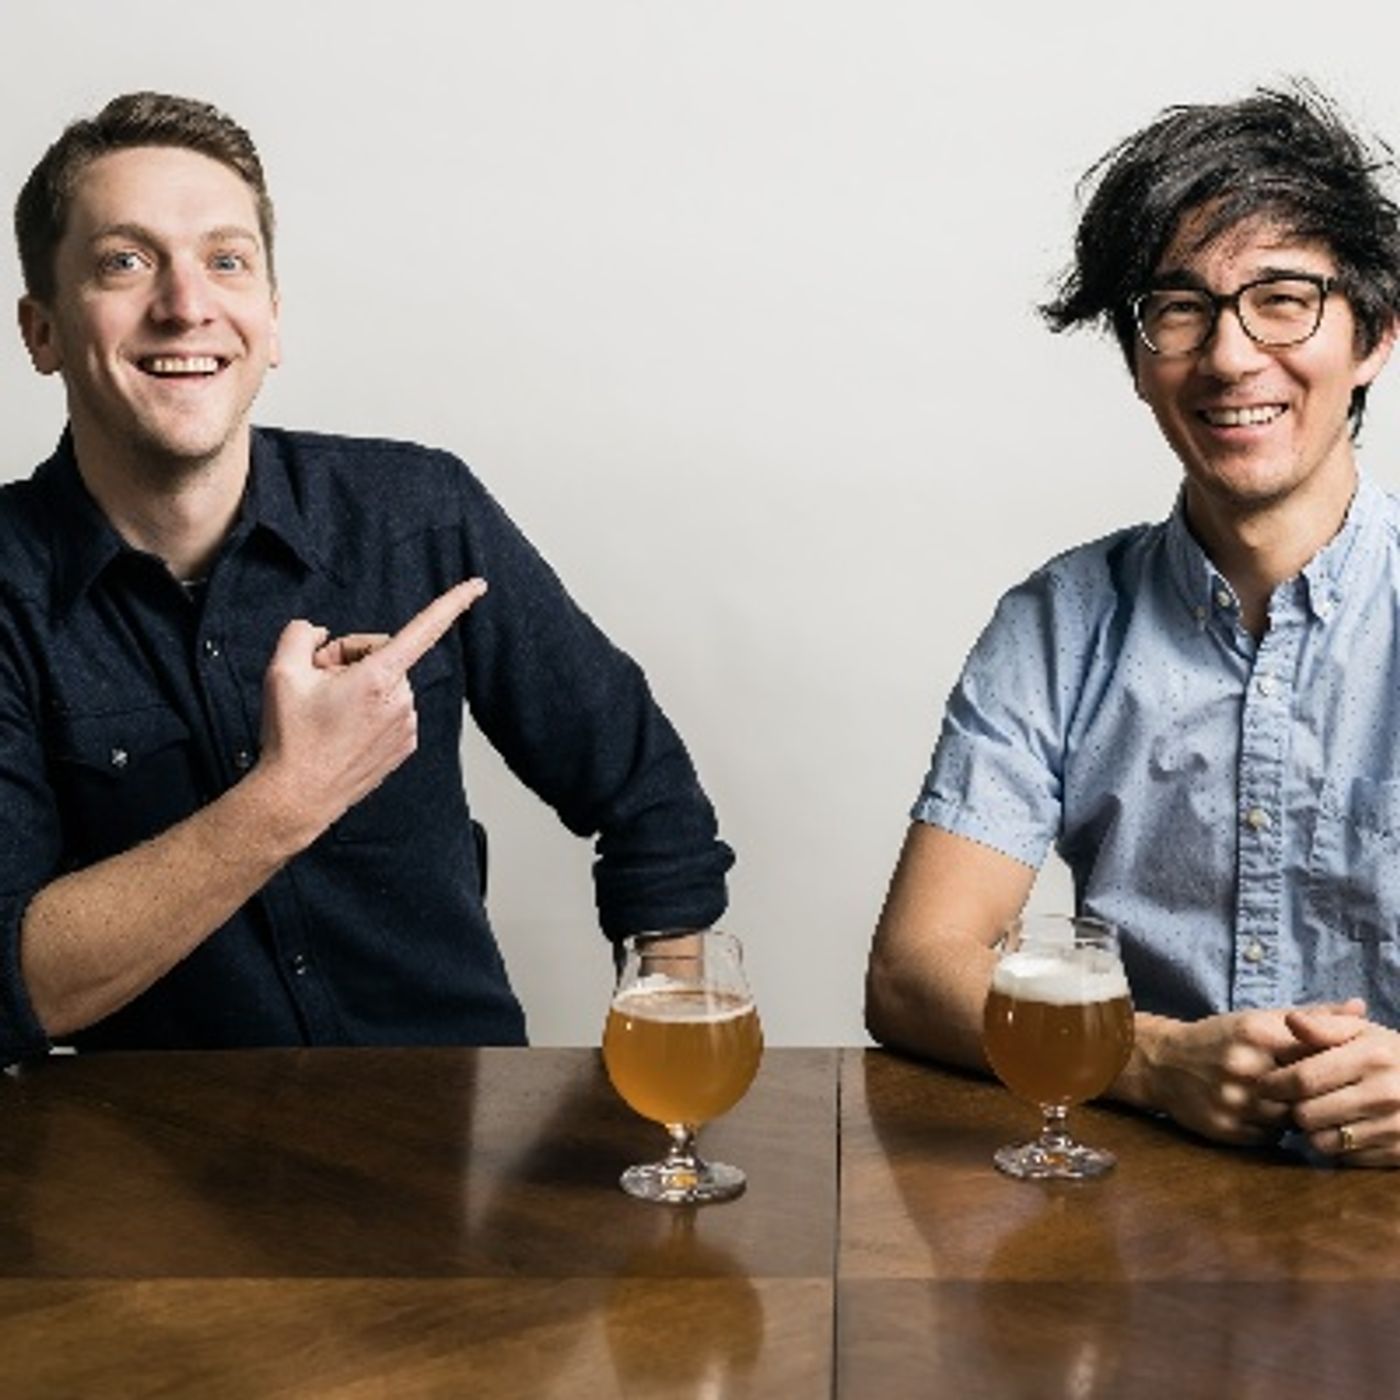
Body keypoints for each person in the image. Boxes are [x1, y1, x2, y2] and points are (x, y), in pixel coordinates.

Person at [0, 91, 732, 1061]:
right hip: (155, 1151)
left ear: (271, 320)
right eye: (124, 262)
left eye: (226, 260)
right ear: (42, 331)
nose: (186, 304)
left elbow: (646, 792)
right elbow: (8, 982)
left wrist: (669, 1027)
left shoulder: (419, 514)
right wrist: (290, 795)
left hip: (445, 1136)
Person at [865, 82, 1400, 1167]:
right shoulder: (1059, 624)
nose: (1230, 356)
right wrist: (1149, 1059)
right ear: (1137, 360)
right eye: (1180, 308)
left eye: (1282, 300)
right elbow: (914, 969)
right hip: (1139, 1210)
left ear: (1374, 336)